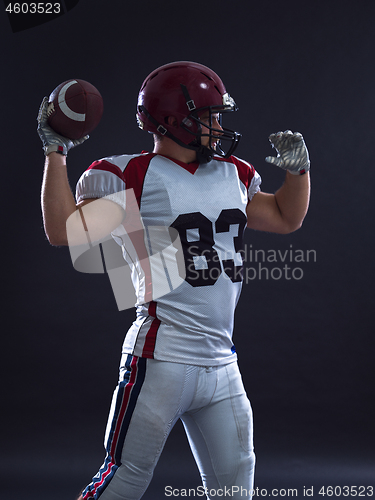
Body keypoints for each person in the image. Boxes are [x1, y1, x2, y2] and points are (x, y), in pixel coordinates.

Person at [38, 61, 310, 500]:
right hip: (160, 358)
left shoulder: (233, 173)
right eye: (209, 117)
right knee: (124, 479)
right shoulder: (133, 174)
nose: (219, 127)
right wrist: (56, 152)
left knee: (234, 491)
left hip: (223, 362)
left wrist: (298, 172)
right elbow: (62, 230)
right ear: (172, 120)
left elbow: (284, 216)